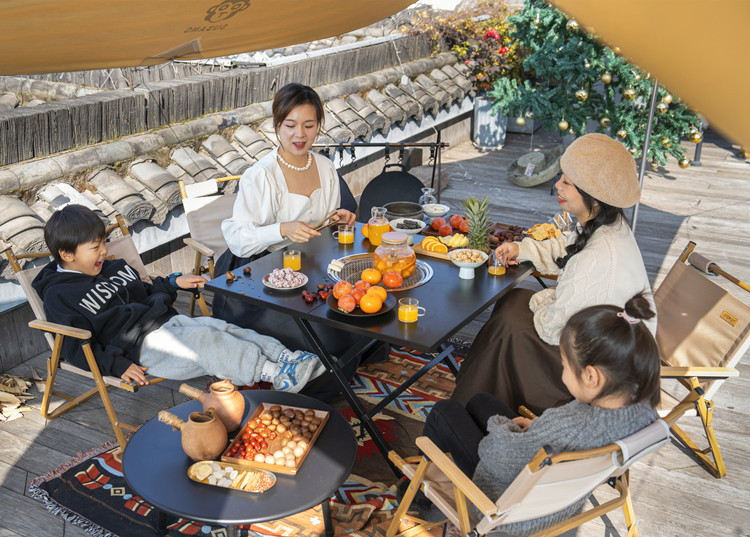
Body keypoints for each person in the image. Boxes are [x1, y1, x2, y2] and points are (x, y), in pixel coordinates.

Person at [422, 295, 660, 536]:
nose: (563, 373)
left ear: (591, 377)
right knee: (480, 400)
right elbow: (563, 437)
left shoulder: (568, 425)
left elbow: (495, 457)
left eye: (565, 365)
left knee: (444, 411)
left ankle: (417, 490)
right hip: (557, 497)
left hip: (504, 504)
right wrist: (538, 427)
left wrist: (502, 427)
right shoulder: (643, 414)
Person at [451, 133, 655, 414]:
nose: (557, 185)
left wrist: (543, 298)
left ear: (593, 198)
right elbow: (569, 245)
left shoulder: (596, 258)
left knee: (510, 329)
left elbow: (553, 329)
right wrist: (521, 249)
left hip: (601, 372)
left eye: (567, 182)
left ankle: (470, 409)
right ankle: (478, 388)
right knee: (513, 303)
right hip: (606, 345)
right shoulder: (609, 225)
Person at [33, 204, 325, 392]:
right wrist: (117, 365)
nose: (104, 251)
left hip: (165, 322)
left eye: (103, 243)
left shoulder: (112, 267)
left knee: (221, 327)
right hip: (138, 348)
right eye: (95, 247)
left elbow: (146, 289)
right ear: (67, 254)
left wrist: (174, 282)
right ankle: (274, 373)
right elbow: (73, 346)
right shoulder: (59, 295)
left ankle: (286, 357)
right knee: (206, 342)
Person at [213, 83, 383, 400]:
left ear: (319, 125)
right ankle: (312, 391)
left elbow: (323, 224)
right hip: (260, 279)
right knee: (327, 337)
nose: (299, 135)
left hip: (311, 266)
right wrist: (281, 230)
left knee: (364, 308)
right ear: (277, 125)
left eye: (309, 125)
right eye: (290, 125)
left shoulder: (325, 167)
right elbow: (237, 239)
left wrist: (336, 219)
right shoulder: (261, 174)